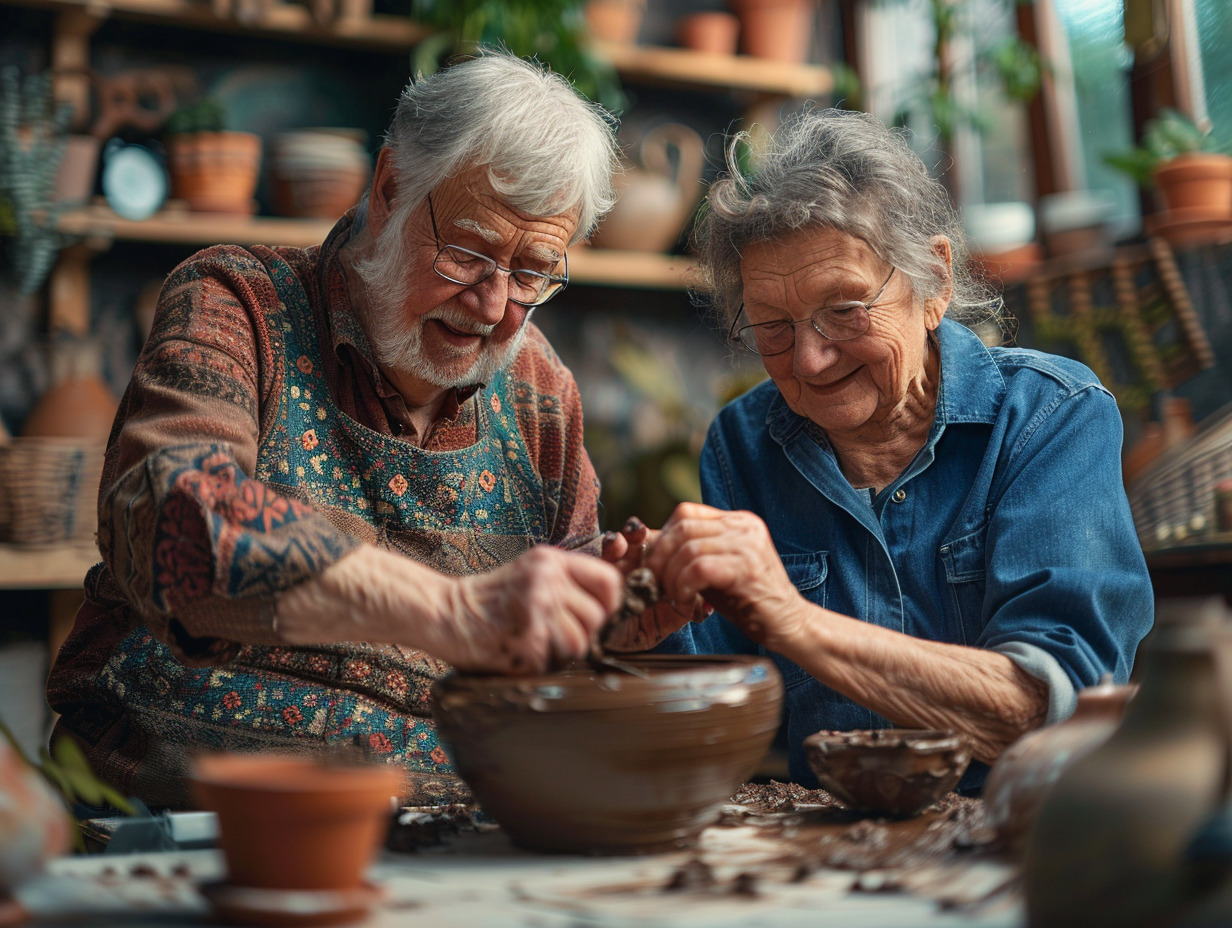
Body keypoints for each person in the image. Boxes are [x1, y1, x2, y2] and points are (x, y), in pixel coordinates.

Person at [46, 50, 630, 809]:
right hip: (179, 829)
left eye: (530, 273)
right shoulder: (238, 305)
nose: (492, 306)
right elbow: (175, 521)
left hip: (446, 849)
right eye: (468, 252)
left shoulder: (540, 390)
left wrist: (625, 617)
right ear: (389, 188)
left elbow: (572, 658)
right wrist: (454, 612)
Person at [606, 107, 1154, 792]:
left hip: (1022, 849)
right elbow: (719, 705)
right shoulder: (743, 442)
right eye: (772, 327)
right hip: (826, 855)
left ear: (934, 283)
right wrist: (647, 629)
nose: (808, 358)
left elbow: (1051, 708)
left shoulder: (1049, 416)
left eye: (845, 309)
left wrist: (795, 619)